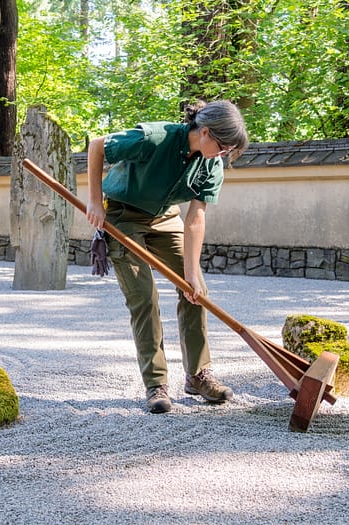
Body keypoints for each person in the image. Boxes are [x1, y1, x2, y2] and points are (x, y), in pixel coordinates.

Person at [85, 100, 249, 413]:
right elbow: (97, 146)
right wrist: (94, 201)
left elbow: (196, 218)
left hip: (165, 217)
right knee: (144, 298)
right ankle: (156, 384)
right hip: (122, 215)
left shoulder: (212, 163)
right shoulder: (154, 137)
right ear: (204, 132)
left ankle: (198, 375)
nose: (224, 154)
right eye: (223, 146)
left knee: (196, 292)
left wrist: (190, 276)